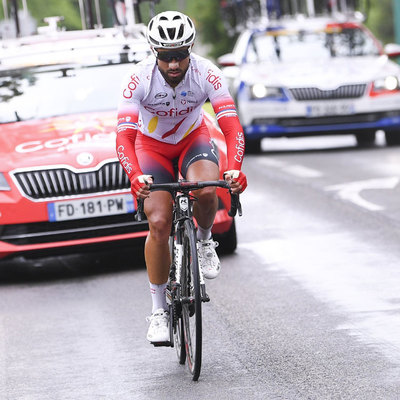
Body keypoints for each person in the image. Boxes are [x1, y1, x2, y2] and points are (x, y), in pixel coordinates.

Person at [116, 11, 247, 345]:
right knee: (158, 221)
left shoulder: (207, 73)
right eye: (165, 56)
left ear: (190, 50)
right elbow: (123, 139)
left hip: (193, 140)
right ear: (153, 52)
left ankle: (203, 241)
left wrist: (235, 168)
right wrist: (135, 176)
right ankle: (158, 311)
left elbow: (231, 128)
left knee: (207, 191)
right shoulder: (139, 78)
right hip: (151, 148)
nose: (173, 64)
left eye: (179, 56)